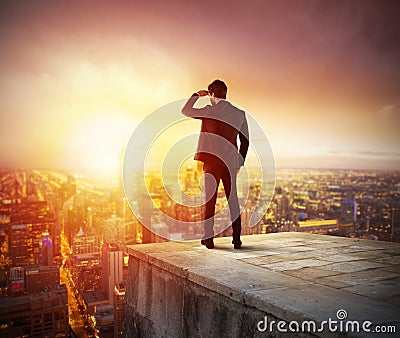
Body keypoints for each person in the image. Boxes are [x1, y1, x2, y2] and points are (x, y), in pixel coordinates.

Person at [182, 79, 249, 249]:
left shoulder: (208, 111)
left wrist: (197, 95)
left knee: (209, 200)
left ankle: (208, 239)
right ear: (225, 94)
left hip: (211, 163)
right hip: (231, 163)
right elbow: (245, 141)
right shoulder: (240, 114)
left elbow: (185, 110)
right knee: (232, 200)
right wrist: (240, 161)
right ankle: (236, 239)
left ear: (211, 94)